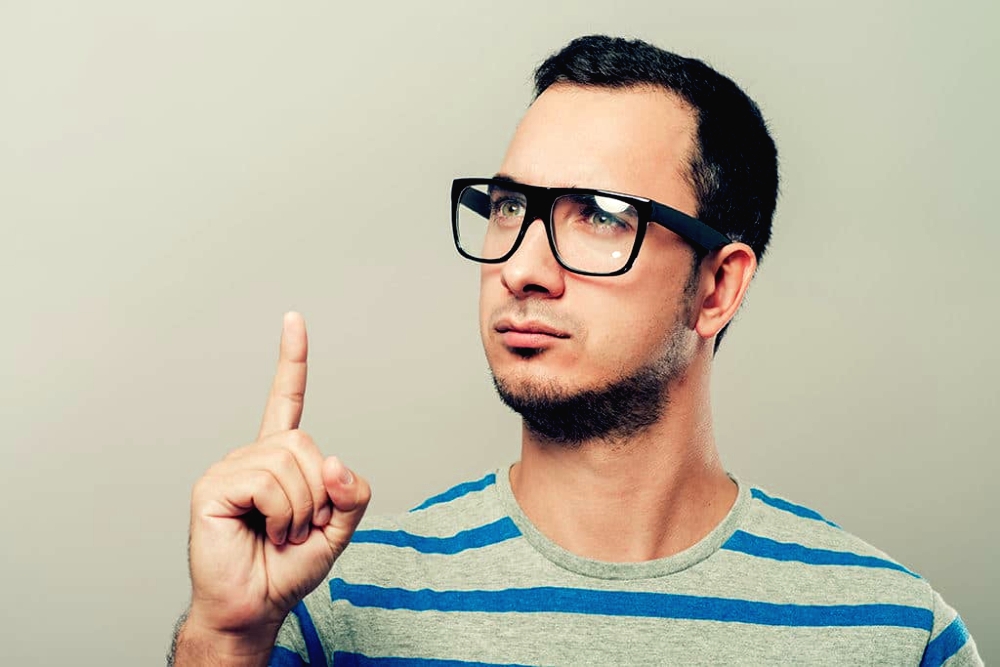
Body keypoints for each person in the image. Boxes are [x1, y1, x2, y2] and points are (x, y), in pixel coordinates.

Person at [170, 35, 981, 666]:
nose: (521, 267)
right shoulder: (334, 607)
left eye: (598, 214)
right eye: (508, 206)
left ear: (716, 288)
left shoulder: (892, 632)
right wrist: (224, 635)